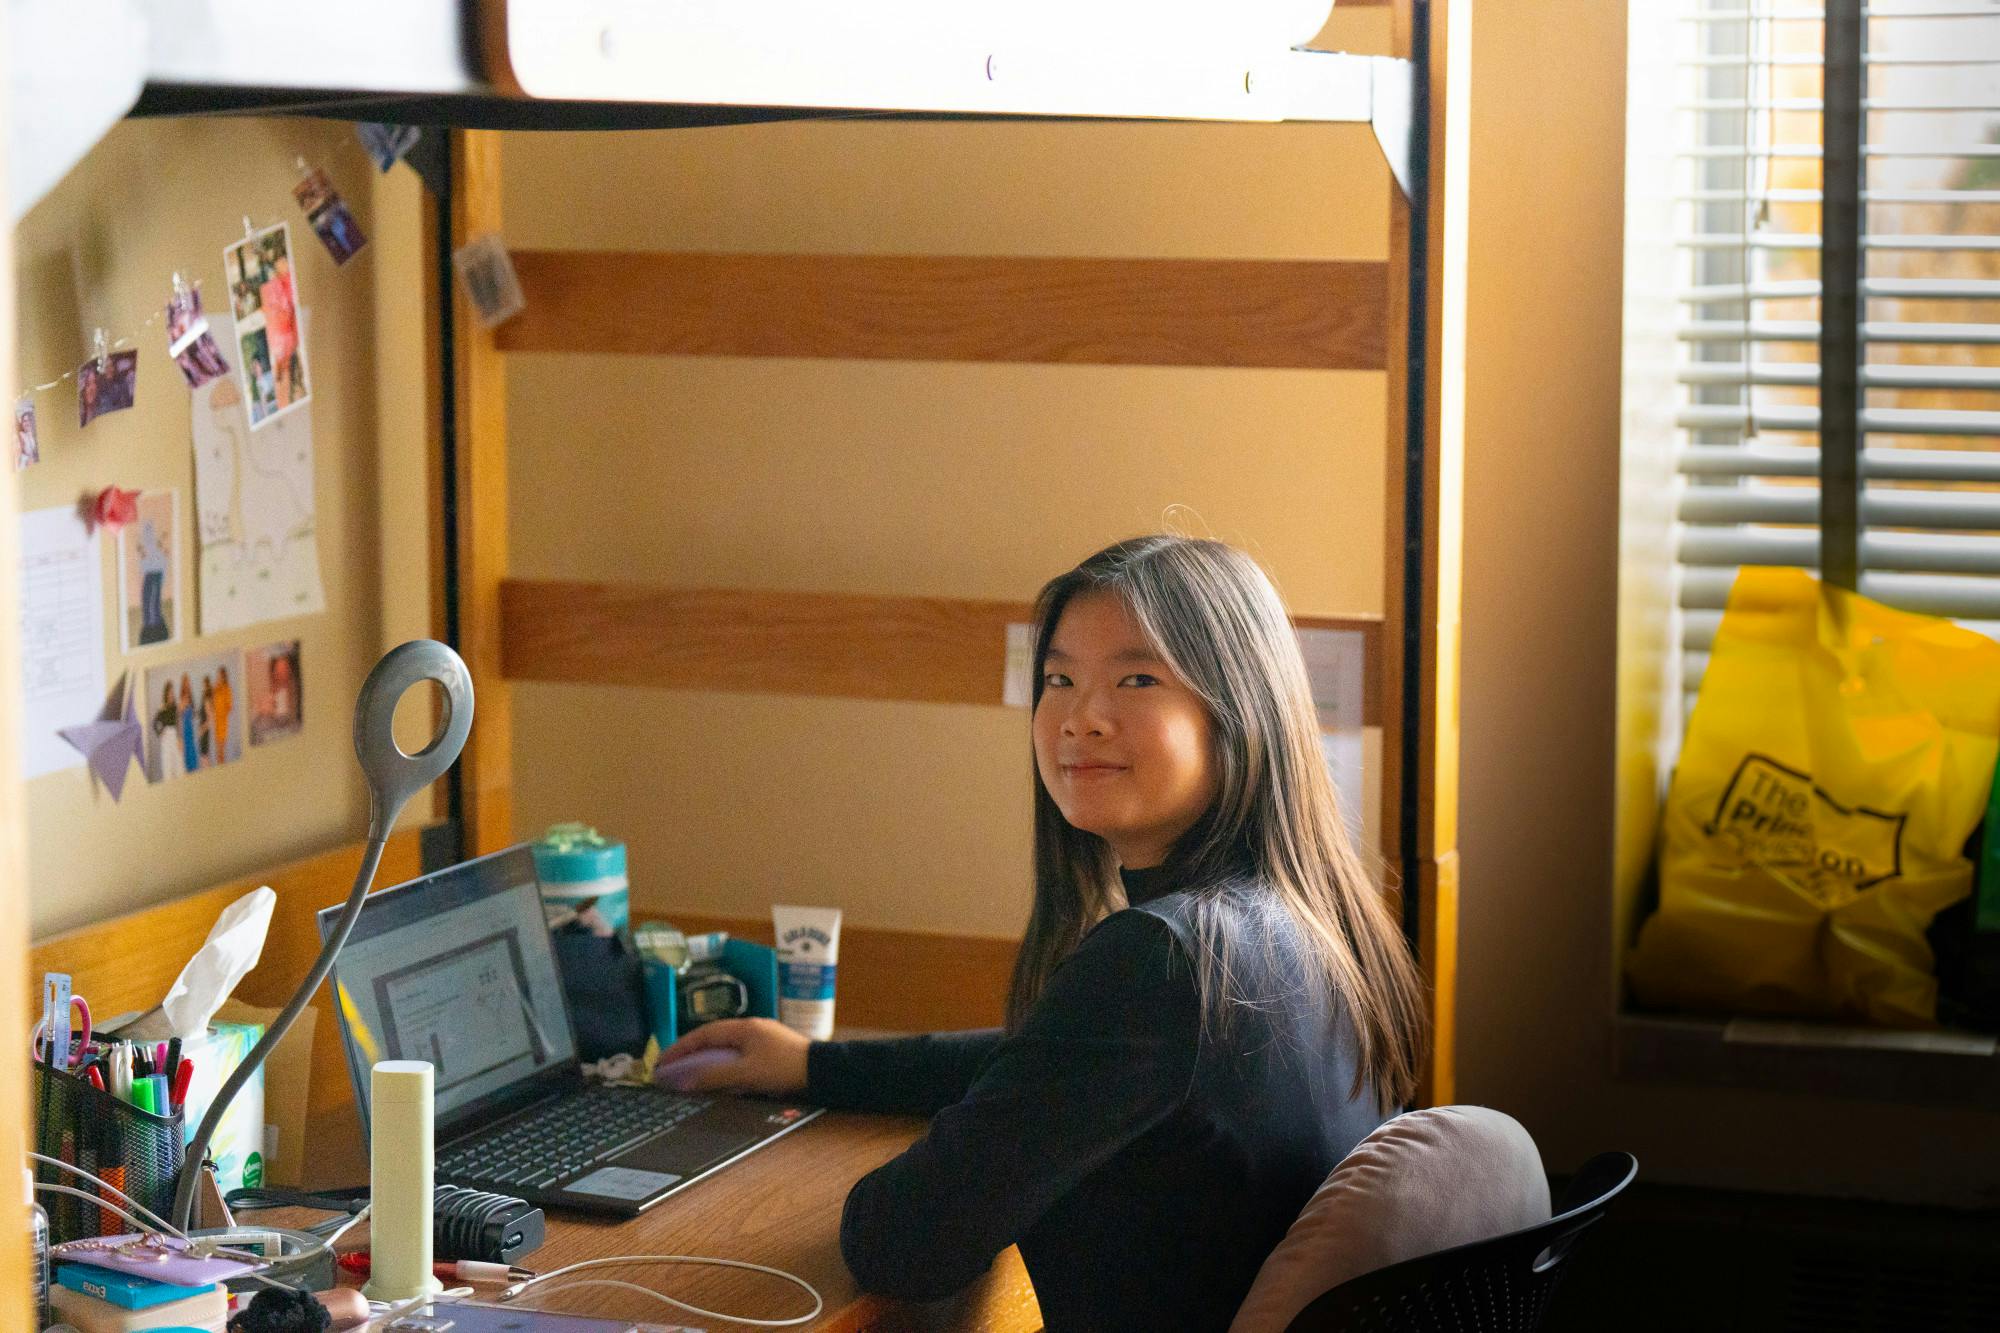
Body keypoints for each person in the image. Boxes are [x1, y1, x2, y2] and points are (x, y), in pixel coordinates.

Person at [662, 536, 1430, 1331]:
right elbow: (1054, 1063)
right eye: (1059, 678)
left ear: (1238, 710)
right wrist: (814, 1065)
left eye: (1137, 678)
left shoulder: (1164, 959)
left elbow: (904, 1241)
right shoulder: (1300, 921)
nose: (1081, 718)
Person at [260, 254, 299, 408]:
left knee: (285, 366)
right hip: (282, 335)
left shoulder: (284, 283)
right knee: (283, 367)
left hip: (286, 334)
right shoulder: (276, 286)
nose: (283, 266)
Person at [152, 684, 182, 781]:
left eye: (172, 692)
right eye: (169, 692)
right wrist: (160, 732)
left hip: (175, 737)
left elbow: (178, 724)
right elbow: (154, 723)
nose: (171, 694)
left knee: (179, 765)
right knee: (167, 766)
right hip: (166, 739)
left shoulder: (175, 706)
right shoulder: (162, 707)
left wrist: (180, 739)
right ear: (166, 693)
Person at [178, 675, 198, 775]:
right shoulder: (182, 698)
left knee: (193, 756)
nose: (188, 684)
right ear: (183, 684)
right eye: (186, 682)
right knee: (187, 758)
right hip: (185, 731)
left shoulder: (191, 698)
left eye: (189, 682)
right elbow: (179, 718)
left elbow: (193, 714)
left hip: (191, 730)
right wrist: (180, 738)